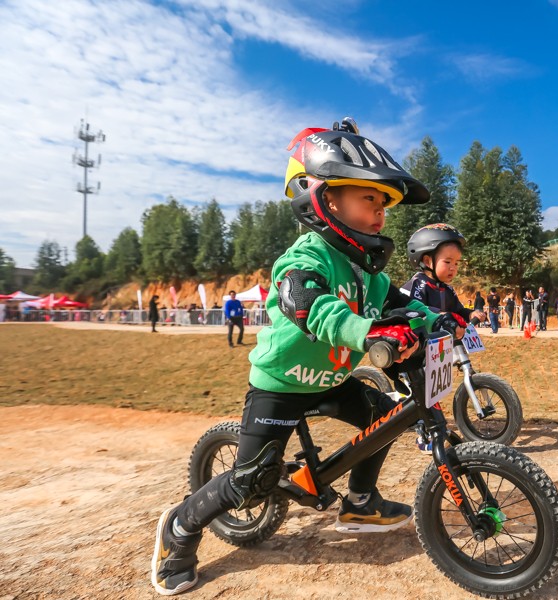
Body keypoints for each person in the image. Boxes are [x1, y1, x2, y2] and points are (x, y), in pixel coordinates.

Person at [151, 121, 463, 595]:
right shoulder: (305, 258)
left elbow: (399, 302)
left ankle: (360, 501)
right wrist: (366, 331)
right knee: (252, 480)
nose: (380, 213)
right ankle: (180, 528)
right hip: (281, 383)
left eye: (383, 204)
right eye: (369, 199)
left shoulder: (366, 270)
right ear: (328, 199)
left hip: (331, 379)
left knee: (386, 415)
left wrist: (437, 321)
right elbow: (311, 307)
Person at [401, 223, 486, 326]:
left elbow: (458, 311)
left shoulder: (448, 290)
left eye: (456, 263)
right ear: (427, 261)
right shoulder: (417, 286)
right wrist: (440, 315)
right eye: (447, 262)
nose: (453, 268)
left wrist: (470, 314)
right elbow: (414, 310)